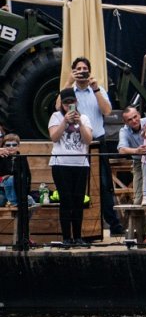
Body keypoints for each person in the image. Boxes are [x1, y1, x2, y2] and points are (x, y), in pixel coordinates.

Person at [66, 56, 122, 236]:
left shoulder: (98, 90)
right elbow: (58, 107)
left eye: (85, 69)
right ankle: (81, 229)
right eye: (78, 69)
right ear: (74, 71)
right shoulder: (69, 90)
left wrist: (96, 88)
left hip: (98, 142)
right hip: (76, 143)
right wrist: (68, 82)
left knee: (104, 184)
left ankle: (113, 225)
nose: (82, 72)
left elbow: (107, 111)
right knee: (78, 184)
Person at [49, 88, 92, 247]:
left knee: (78, 201)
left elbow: (88, 140)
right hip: (60, 163)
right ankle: (67, 237)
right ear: (62, 103)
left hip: (80, 164)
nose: (69, 105)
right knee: (66, 201)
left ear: (76, 102)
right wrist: (64, 121)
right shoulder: (55, 116)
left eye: (71, 102)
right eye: (66, 103)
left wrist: (80, 122)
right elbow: (54, 137)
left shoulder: (85, 118)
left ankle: (78, 236)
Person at [117, 107, 146, 202]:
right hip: (139, 161)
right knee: (138, 199)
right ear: (125, 122)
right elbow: (121, 150)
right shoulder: (124, 131)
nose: (134, 121)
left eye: (135, 117)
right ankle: (137, 208)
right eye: (130, 119)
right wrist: (136, 151)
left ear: (139, 114)